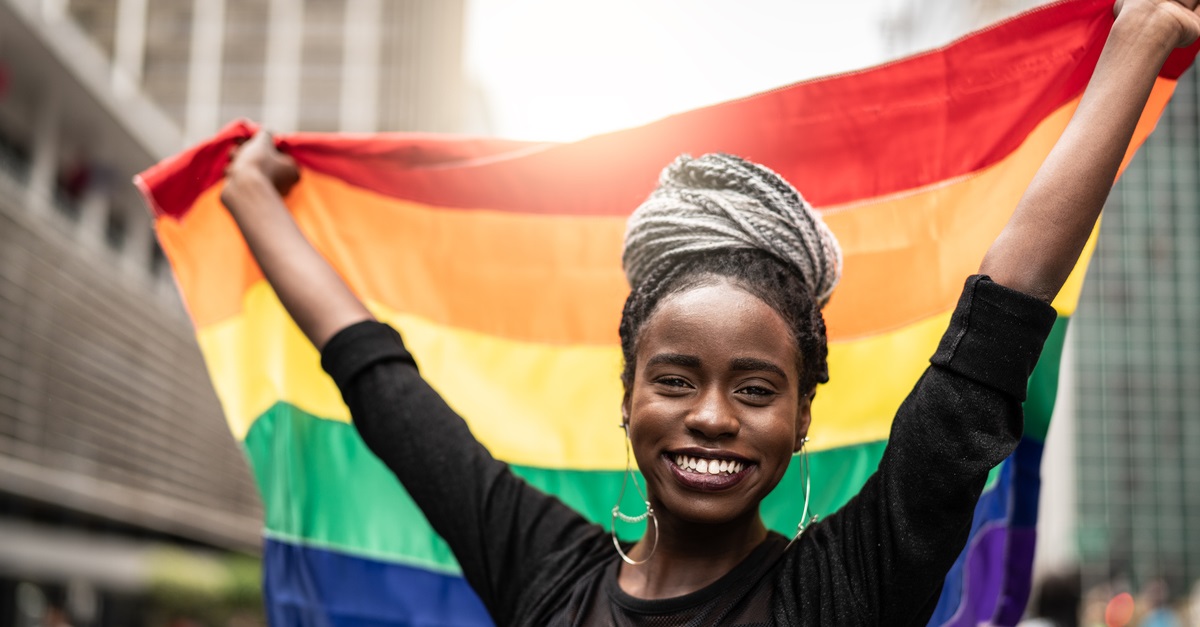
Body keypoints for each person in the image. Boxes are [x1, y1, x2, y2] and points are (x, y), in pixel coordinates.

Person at [219, 1, 1200, 624]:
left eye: (756, 387)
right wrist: (254, 203)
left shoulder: (841, 591)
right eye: (677, 379)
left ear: (803, 416)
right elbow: (381, 385)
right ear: (629, 395)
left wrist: (1138, 41)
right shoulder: (546, 576)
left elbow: (993, 336)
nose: (713, 416)